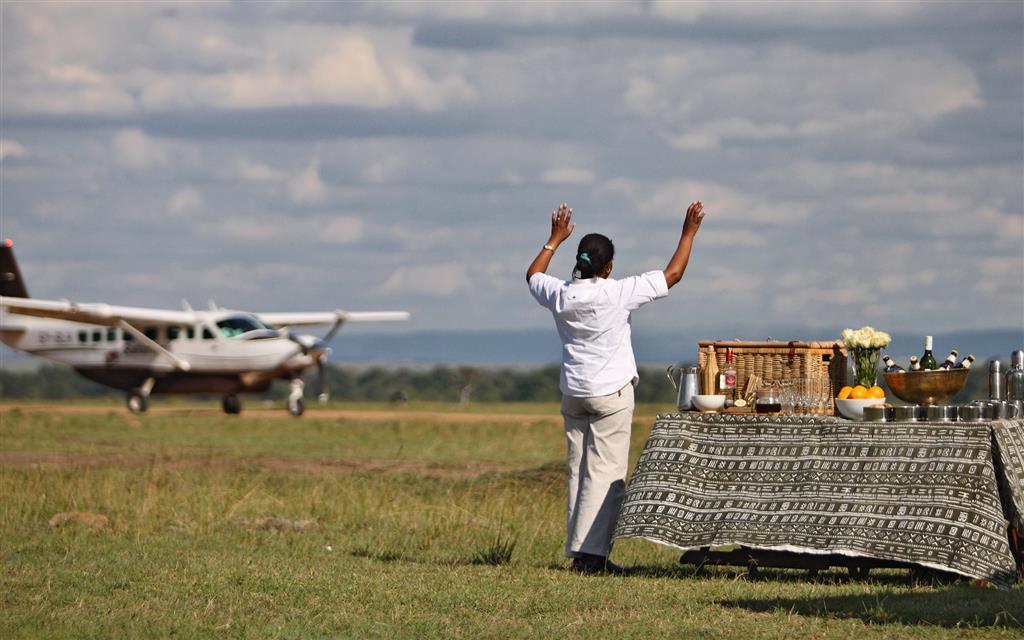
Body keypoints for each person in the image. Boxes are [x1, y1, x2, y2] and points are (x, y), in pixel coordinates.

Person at [526, 200, 705, 574]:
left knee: (578, 470)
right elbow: (673, 274)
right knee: (606, 475)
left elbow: (533, 275)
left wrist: (553, 239)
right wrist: (688, 232)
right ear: (608, 268)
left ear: (578, 261)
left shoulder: (561, 294)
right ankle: (594, 558)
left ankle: (579, 552)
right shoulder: (617, 292)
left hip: (574, 394)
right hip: (610, 395)